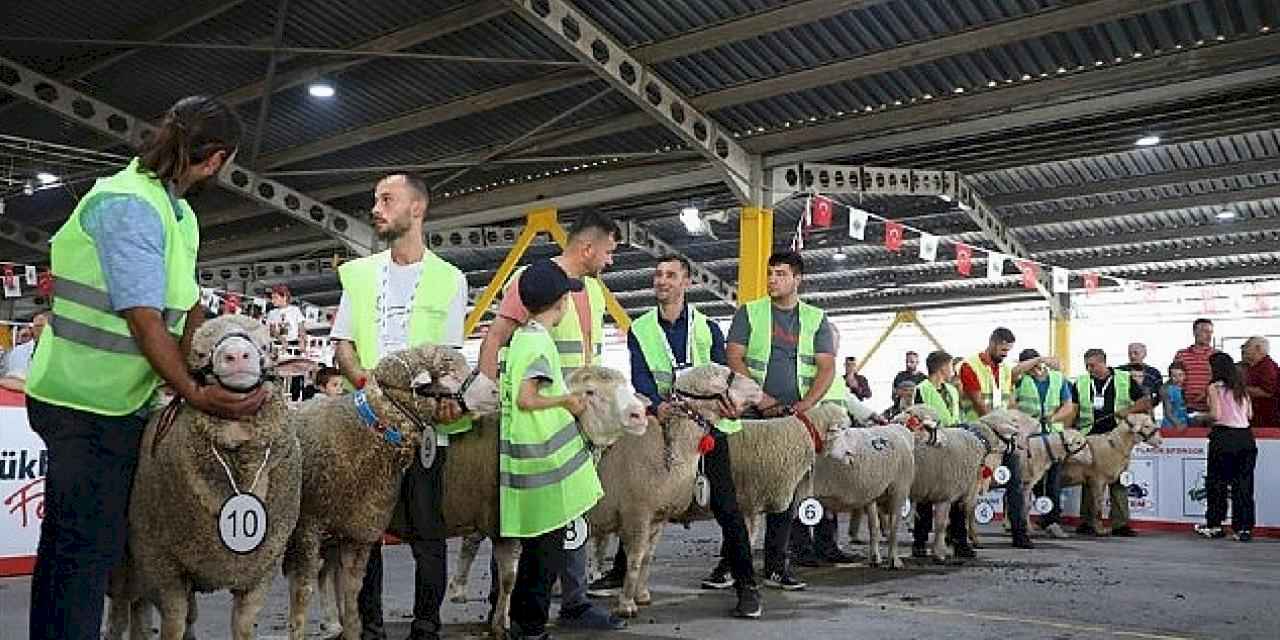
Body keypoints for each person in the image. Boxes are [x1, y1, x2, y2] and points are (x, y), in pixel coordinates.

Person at [24, 96, 266, 640]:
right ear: (217, 159)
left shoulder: (177, 214)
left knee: (86, 541)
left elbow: (187, 308)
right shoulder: (126, 203)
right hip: (79, 401)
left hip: (122, 403)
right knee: (83, 549)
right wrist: (194, 393)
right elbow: (143, 316)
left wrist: (205, 366)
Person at [330, 173, 471, 640]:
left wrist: (439, 401)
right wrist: (372, 389)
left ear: (417, 209)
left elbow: (449, 360)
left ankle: (426, 625)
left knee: (427, 530)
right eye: (374, 199)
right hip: (367, 424)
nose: (376, 208)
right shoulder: (359, 274)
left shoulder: (450, 280)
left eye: (386, 199)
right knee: (361, 531)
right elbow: (344, 347)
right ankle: (368, 627)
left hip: (424, 429)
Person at [588, 254, 761, 618]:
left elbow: (721, 376)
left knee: (727, 506)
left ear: (687, 282)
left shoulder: (708, 328)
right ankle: (622, 574)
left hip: (708, 429)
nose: (661, 281)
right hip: (663, 425)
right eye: (658, 275)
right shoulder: (641, 328)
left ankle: (747, 585)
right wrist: (655, 408)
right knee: (640, 495)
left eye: (670, 275)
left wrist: (729, 406)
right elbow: (641, 378)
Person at [477, 210, 625, 632]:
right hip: (540, 422)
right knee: (528, 515)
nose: (610, 261)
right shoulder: (532, 280)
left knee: (569, 511)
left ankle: (574, 600)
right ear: (587, 248)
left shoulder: (593, 292)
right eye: (609, 252)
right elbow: (496, 336)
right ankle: (503, 602)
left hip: (574, 421)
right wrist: (489, 397)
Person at [725, 251, 845, 591]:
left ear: (797, 279)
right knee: (736, 487)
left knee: (786, 490)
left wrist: (805, 406)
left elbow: (826, 366)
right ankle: (729, 563)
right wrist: (761, 400)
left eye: (780, 274)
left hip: (794, 419)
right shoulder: (750, 312)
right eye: (770, 274)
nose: (772, 280)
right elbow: (734, 356)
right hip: (750, 411)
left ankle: (776, 565)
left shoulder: (816, 318)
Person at [499, 259, 604, 640]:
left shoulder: (521, 338)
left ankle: (525, 625)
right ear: (560, 304)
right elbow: (528, 398)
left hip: (532, 463)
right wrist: (567, 401)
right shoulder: (538, 342)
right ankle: (530, 628)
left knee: (535, 554)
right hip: (543, 465)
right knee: (544, 557)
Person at [956, 327, 1049, 549]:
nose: (1006, 354)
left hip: (1004, 437)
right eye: (1003, 349)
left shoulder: (1006, 371)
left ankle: (1020, 533)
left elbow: (1008, 403)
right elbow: (979, 405)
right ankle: (958, 535)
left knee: (1015, 483)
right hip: (976, 436)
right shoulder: (970, 366)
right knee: (967, 486)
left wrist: (1015, 426)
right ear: (993, 342)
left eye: (1009, 350)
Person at [1072, 348, 1151, 537]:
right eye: (1087, 366)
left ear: (1103, 362)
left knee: (1118, 478)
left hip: (1117, 438)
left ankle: (1120, 523)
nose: (1089, 369)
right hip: (1090, 437)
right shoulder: (1081, 382)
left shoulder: (1124, 378)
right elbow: (1073, 408)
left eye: (1093, 365)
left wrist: (1128, 410)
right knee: (1089, 479)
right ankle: (1088, 522)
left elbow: (1146, 401)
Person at [910, 350, 971, 558]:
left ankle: (958, 540)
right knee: (927, 494)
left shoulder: (952, 391)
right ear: (942, 367)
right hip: (930, 449)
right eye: (951, 366)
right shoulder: (921, 390)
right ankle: (920, 541)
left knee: (955, 494)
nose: (953, 370)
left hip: (953, 448)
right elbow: (914, 417)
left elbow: (955, 416)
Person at [1012, 348, 1077, 539]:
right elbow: (1015, 372)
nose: (1034, 368)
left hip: (1051, 439)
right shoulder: (1020, 379)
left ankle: (1052, 521)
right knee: (1026, 482)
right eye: (1029, 365)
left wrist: (1054, 417)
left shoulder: (1058, 379)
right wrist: (1039, 359)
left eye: (1036, 364)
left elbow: (1068, 405)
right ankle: (1022, 521)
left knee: (1053, 481)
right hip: (1028, 438)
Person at [1194, 352, 1256, 542]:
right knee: (1243, 485)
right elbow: (1250, 414)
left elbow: (1216, 414)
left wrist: (1199, 417)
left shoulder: (1214, 387)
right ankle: (1243, 528)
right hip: (1245, 437)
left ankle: (1215, 525)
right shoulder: (1241, 388)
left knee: (1217, 483)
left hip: (1224, 437)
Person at [266, 283, 308, 400]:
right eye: (272, 298)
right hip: (278, 345)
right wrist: (281, 339)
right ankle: (278, 396)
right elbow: (272, 330)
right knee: (278, 371)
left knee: (295, 371)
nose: (273, 300)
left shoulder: (295, 310)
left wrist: (302, 341)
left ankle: (295, 397)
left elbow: (301, 328)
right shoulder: (272, 313)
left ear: (284, 297)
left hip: (293, 344)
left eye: (275, 297)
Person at [1174, 318, 1217, 413]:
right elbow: (1175, 380)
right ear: (1194, 333)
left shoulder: (1217, 355)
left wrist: (1206, 395)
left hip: (1211, 408)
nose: (1209, 335)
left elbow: (1221, 382)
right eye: (1205, 331)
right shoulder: (1181, 355)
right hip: (1186, 408)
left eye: (1211, 332)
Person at [0, 311, 48, 392]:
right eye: (38, 326)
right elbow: (13, 381)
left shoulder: (60, 352)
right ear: (34, 329)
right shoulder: (20, 351)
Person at [1241, 337, 1278, 429]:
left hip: (1266, 417)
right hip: (1254, 415)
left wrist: (1240, 389)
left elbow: (1267, 392)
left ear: (1258, 349)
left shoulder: (1267, 367)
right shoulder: (1251, 366)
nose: (1244, 350)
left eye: (1247, 346)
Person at [1118, 342, 1163, 409]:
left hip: (1146, 411)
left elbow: (1160, 394)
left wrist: (1150, 404)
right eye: (1130, 353)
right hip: (1122, 411)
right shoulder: (1119, 371)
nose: (1132, 356)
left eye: (1136, 353)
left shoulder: (1154, 372)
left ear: (1144, 354)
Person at [1161, 362, 1190, 430]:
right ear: (1170, 377)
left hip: (1183, 422)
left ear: (1185, 375)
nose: (1178, 378)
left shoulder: (1182, 389)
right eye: (1174, 376)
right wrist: (1178, 424)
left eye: (1180, 375)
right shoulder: (1168, 390)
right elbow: (1168, 412)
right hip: (1171, 425)